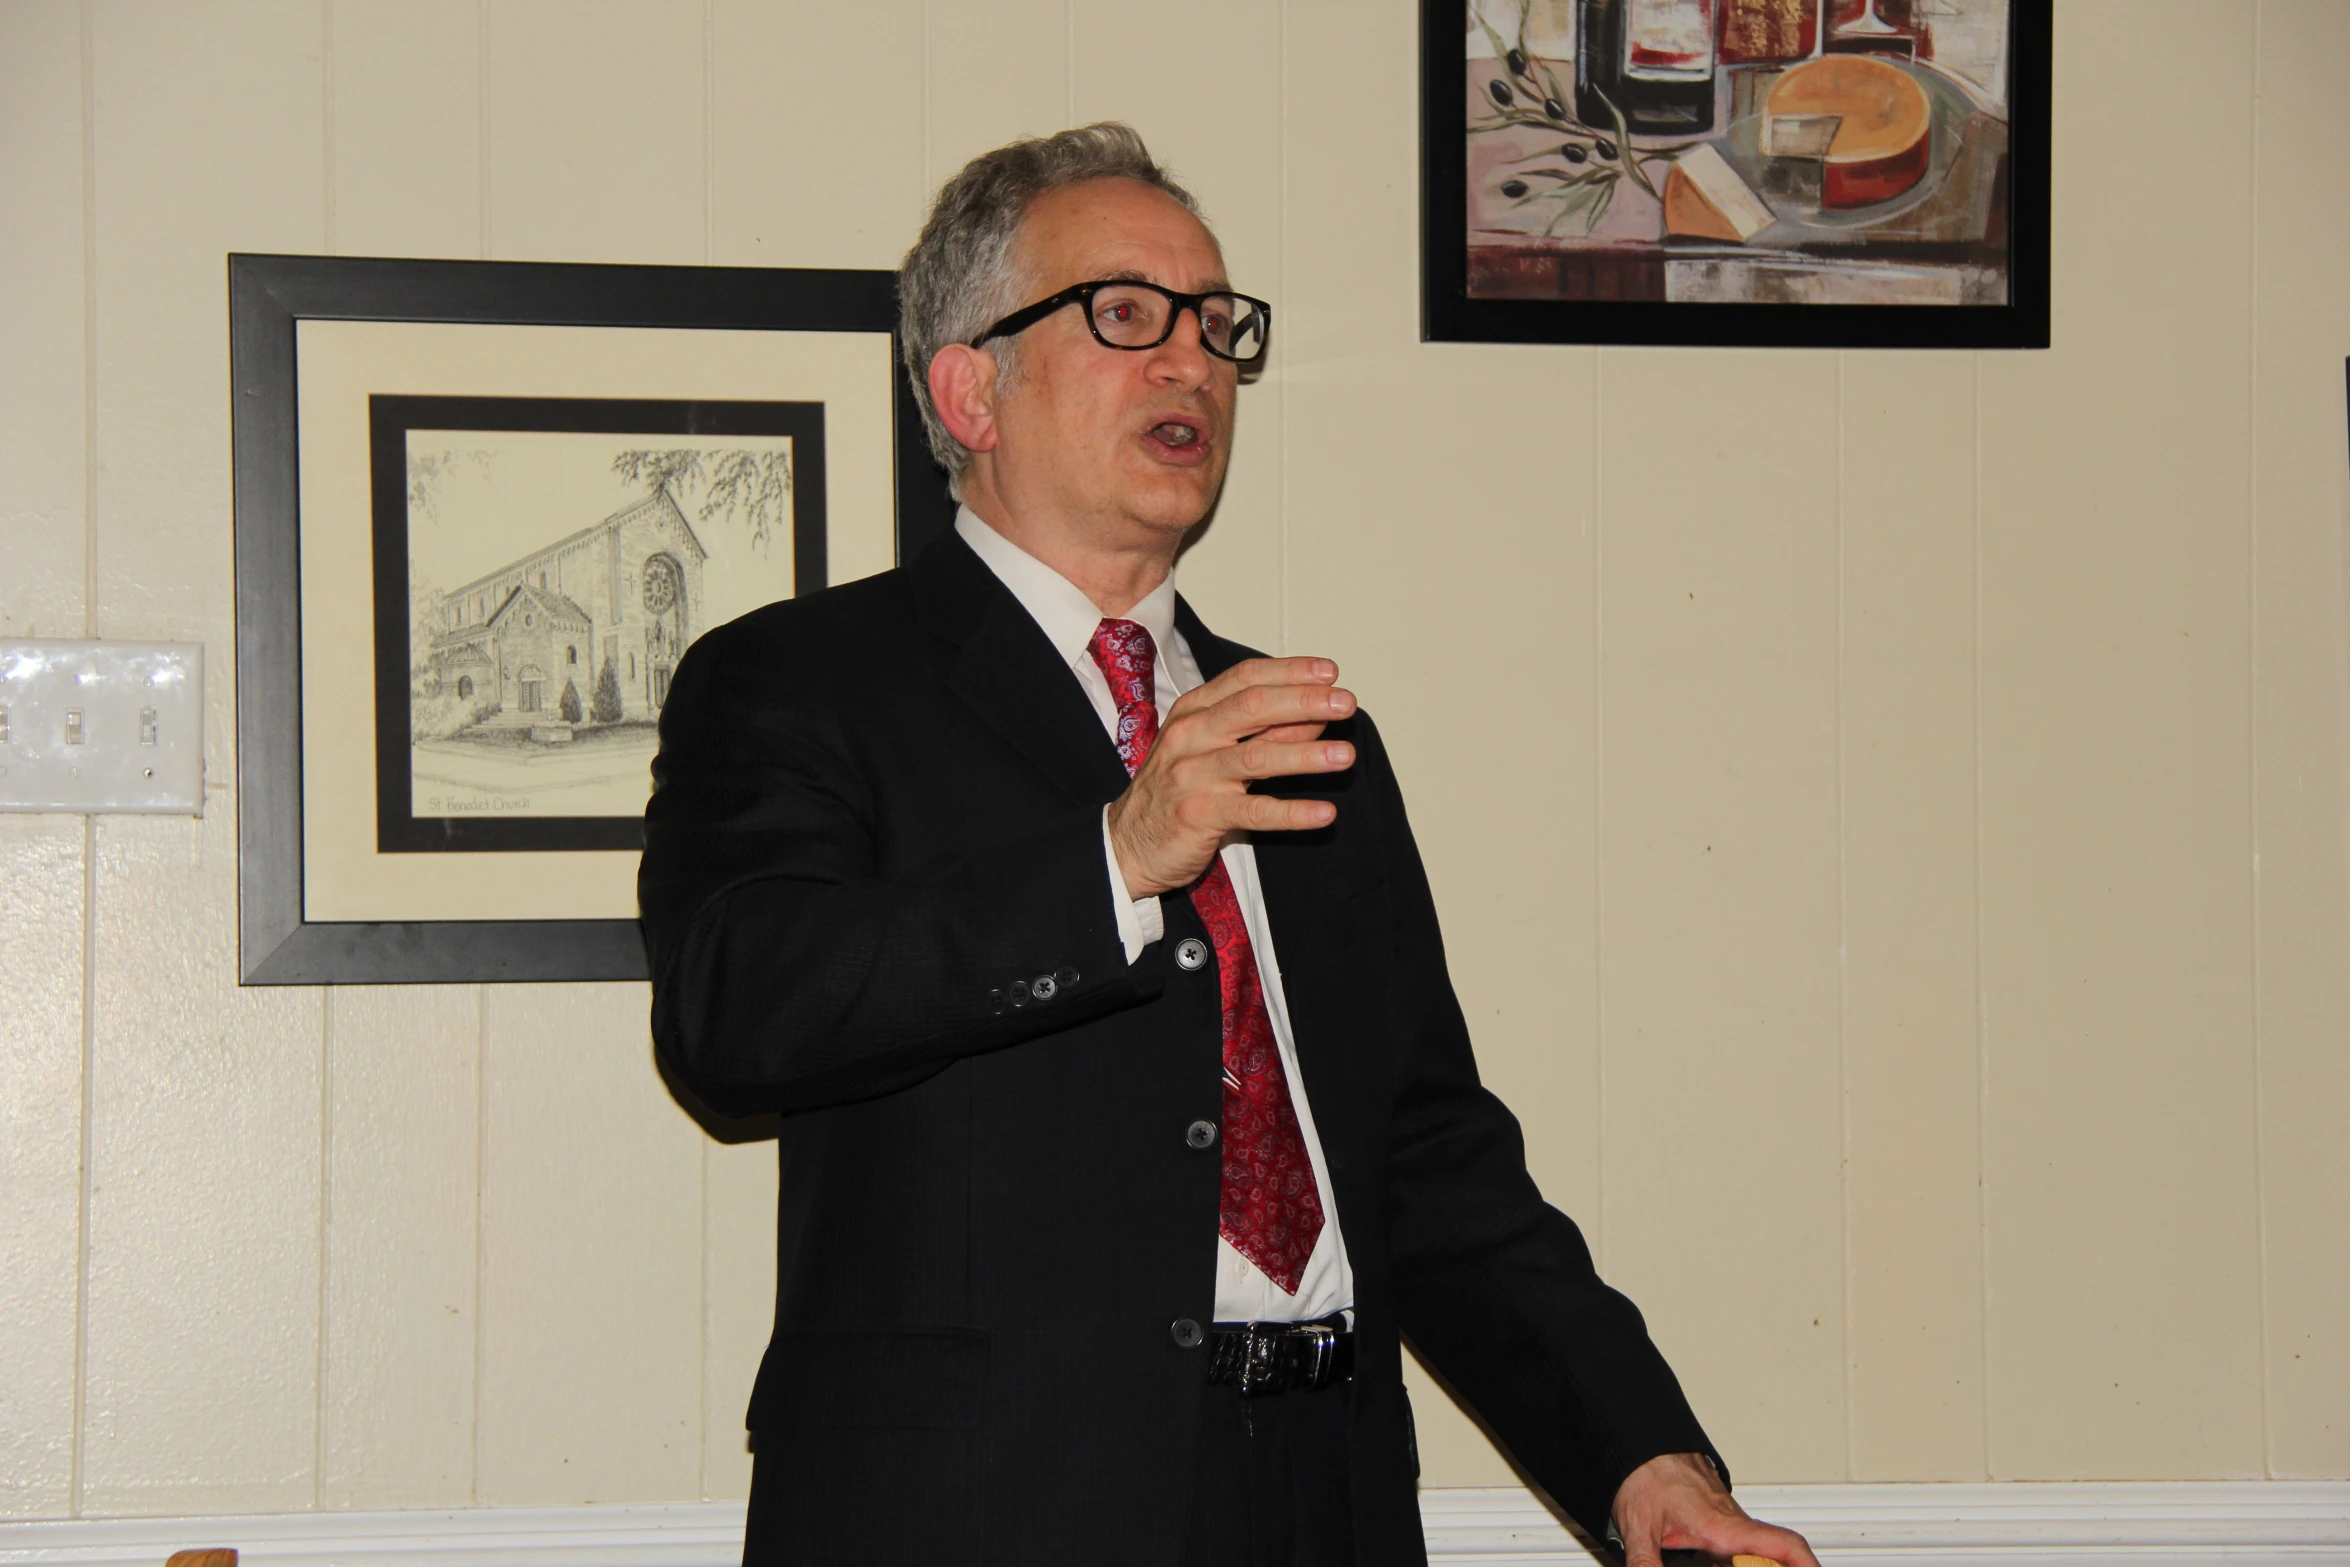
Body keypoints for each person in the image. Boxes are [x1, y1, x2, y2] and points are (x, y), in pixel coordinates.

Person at [639, 122, 1819, 1567]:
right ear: (970, 388)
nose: (1190, 360)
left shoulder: (1293, 724)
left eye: (1215, 324)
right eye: (1124, 315)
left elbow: (1425, 1154)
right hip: (982, 1510)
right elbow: (736, 1012)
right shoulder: (800, 680)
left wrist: (1639, 1456)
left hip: (1321, 1491)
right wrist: (1117, 854)